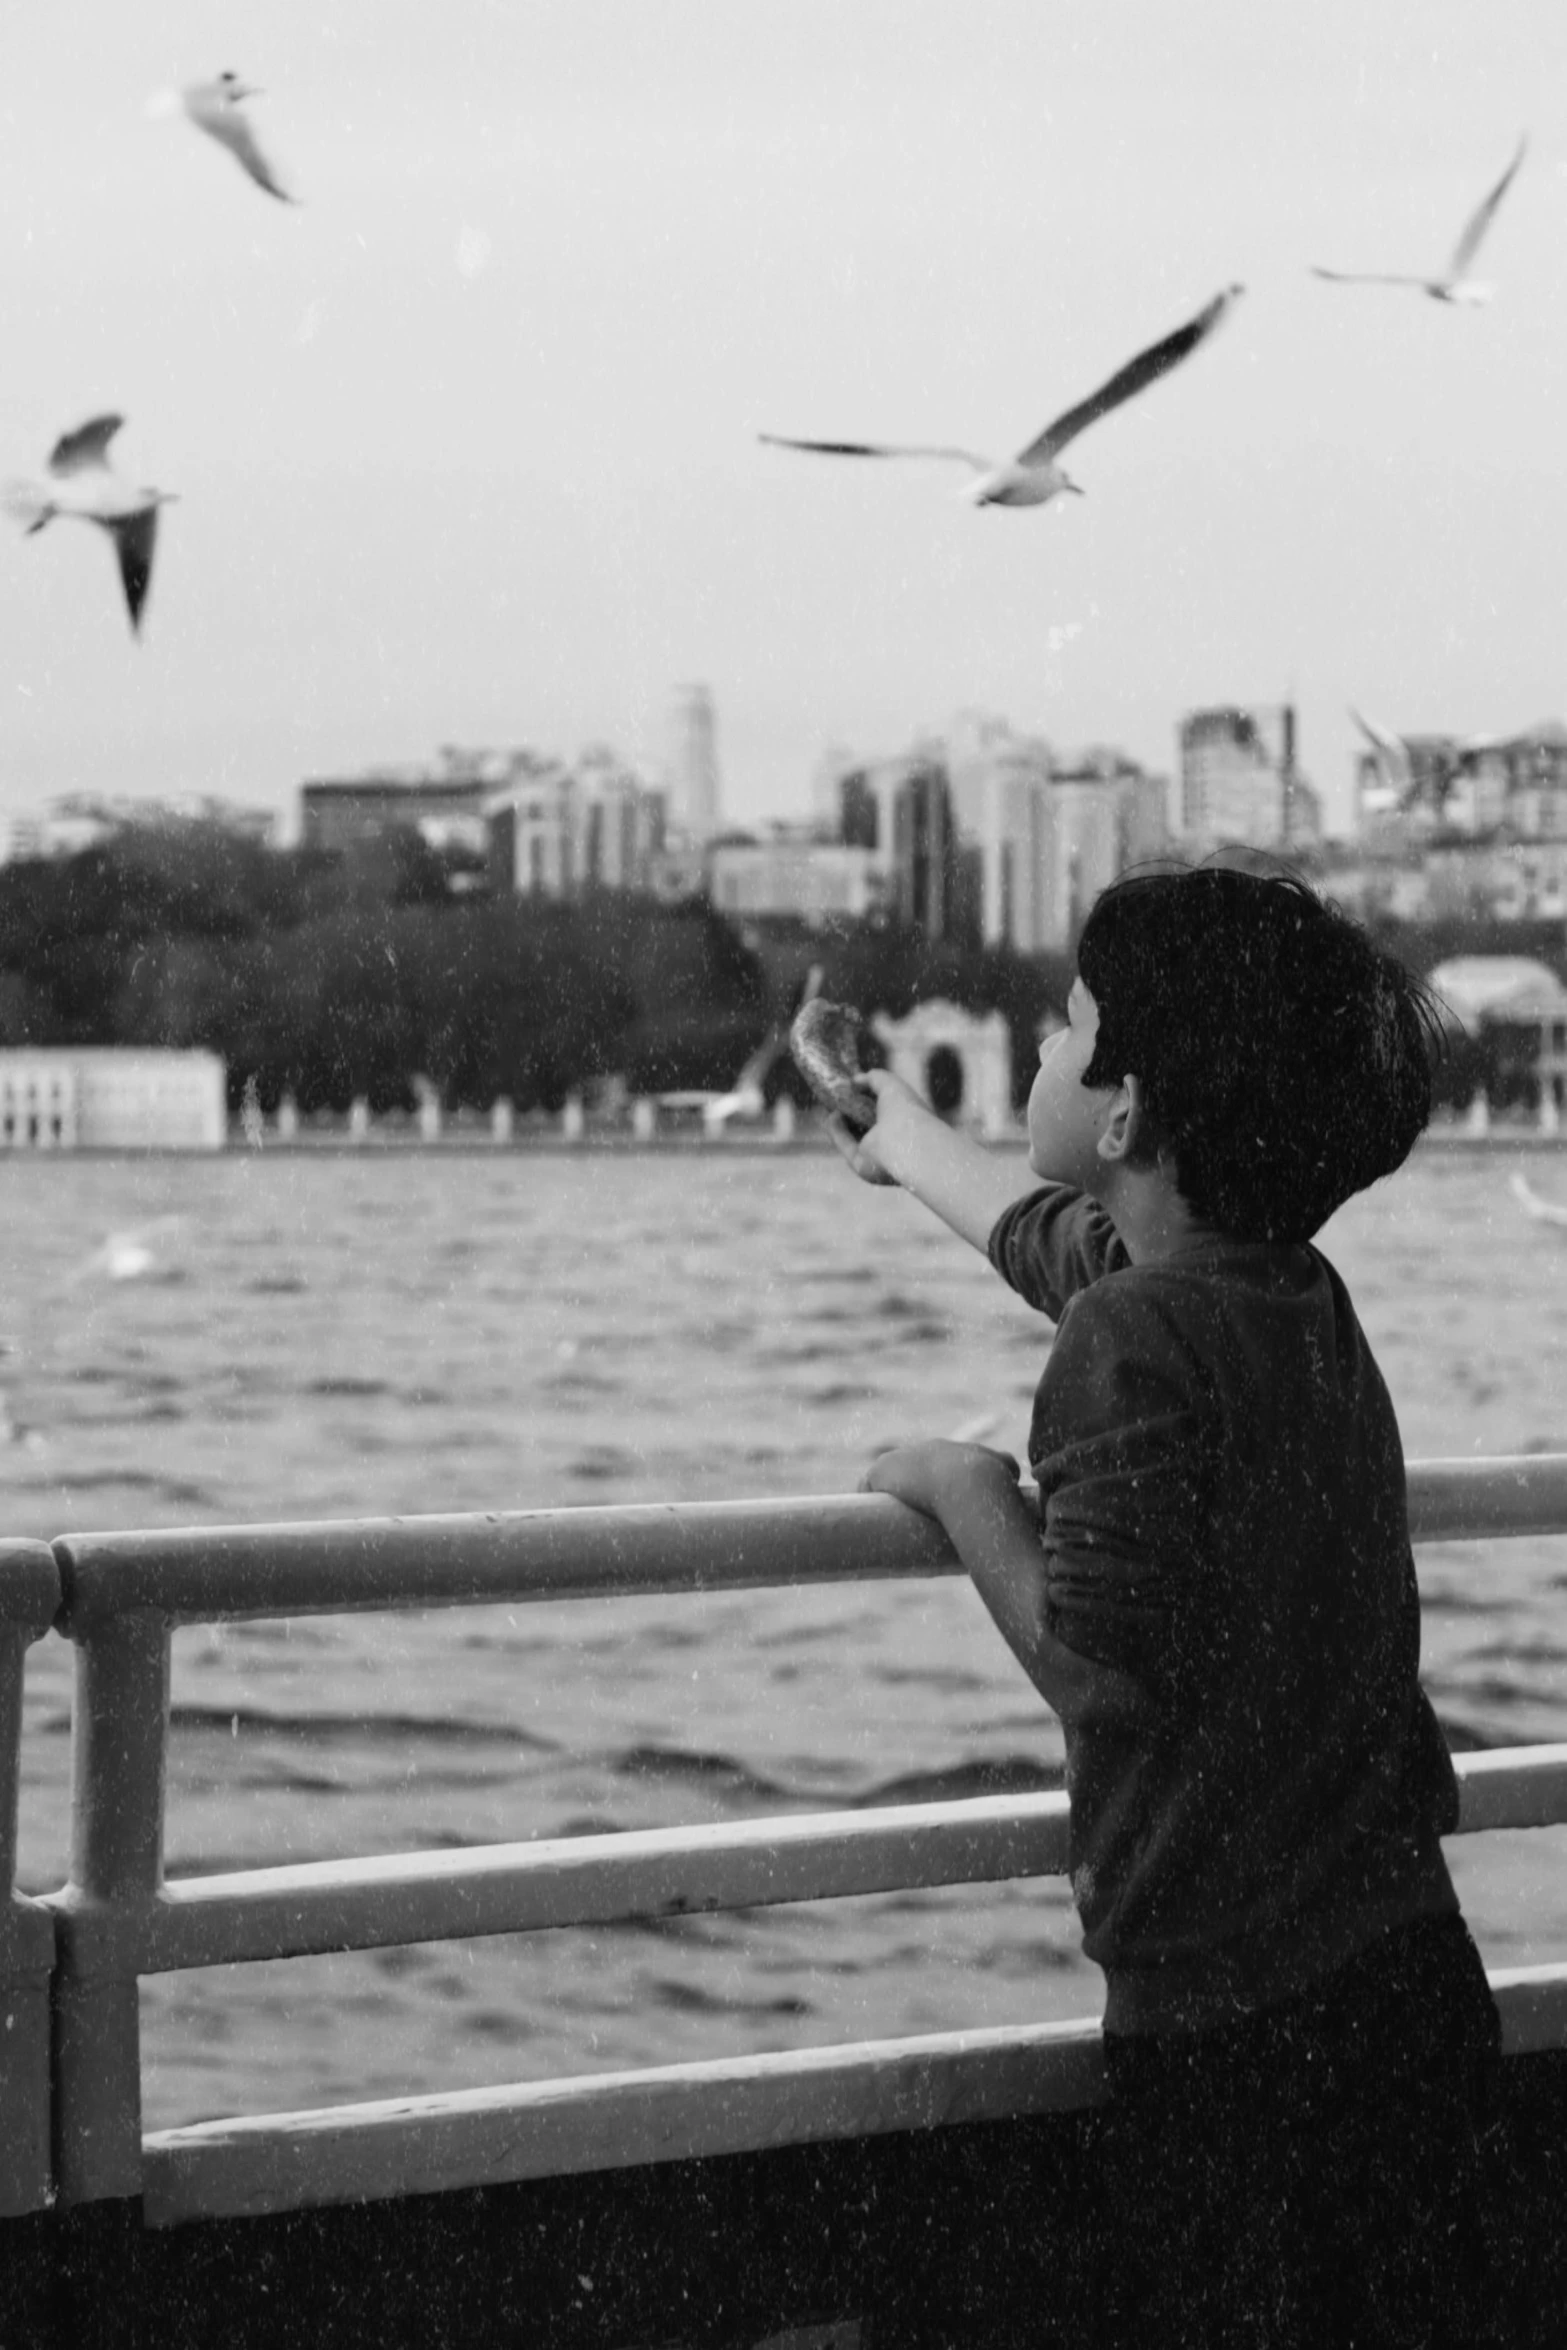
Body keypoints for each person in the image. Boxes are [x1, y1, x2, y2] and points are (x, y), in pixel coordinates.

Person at [830, 861, 1504, 2346]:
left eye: (1070, 1027)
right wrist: (901, 1135)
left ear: (1122, 1114)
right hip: (1403, 1971)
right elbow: (1064, 1247)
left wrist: (958, 1486)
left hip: (1230, 2031)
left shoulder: (1131, 1336)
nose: (1046, 1044)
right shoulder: (1287, 1291)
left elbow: (1102, 1669)